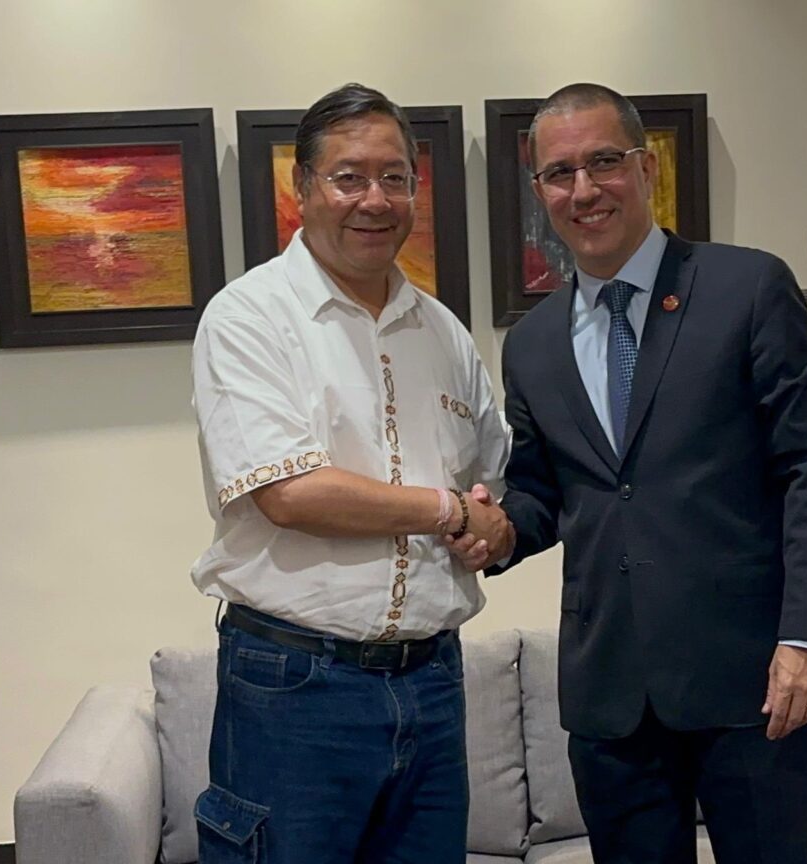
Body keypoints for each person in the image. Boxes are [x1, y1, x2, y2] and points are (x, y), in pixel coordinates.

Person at [460, 83, 807, 864]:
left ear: (647, 169)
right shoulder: (532, 343)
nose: (584, 189)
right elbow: (548, 494)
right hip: (611, 698)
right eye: (560, 172)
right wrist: (495, 529)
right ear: (539, 190)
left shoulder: (747, 288)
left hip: (754, 684)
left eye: (604, 162)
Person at [189, 82, 512, 864]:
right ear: (301, 188)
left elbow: (492, 481)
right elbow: (290, 495)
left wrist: (488, 524)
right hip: (296, 686)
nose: (376, 199)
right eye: (349, 177)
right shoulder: (250, 317)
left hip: (432, 681)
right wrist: (449, 511)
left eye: (396, 177)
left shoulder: (443, 331)